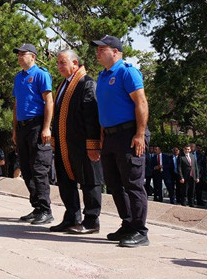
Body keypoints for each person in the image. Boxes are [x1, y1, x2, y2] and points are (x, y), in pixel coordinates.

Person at [92, 35, 150, 248]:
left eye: (102, 48)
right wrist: (101, 137)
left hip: (129, 134)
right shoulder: (102, 76)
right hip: (110, 136)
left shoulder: (127, 71)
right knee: (115, 184)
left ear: (115, 51)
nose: (97, 52)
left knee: (133, 184)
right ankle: (127, 224)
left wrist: (140, 134)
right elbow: (103, 110)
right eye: (97, 49)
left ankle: (140, 230)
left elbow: (141, 102)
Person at [49, 49, 103, 234]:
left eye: (63, 63)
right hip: (65, 143)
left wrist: (93, 144)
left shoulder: (86, 83)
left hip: (83, 143)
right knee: (65, 181)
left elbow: (91, 116)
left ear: (75, 63)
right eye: (58, 63)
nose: (59, 67)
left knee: (89, 182)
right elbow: (57, 116)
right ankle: (72, 216)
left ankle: (91, 220)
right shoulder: (63, 84)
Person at [11, 43, 54, 225]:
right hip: (22, 127)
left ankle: (46, 210)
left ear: (33, 57)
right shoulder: (18, 78)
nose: (20, 57)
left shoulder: (40, 75)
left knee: (38, 168)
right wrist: (14, 129)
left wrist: (46, 127)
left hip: (37, 125)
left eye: (23, 54)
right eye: (18, 54)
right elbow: (16, 105)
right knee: (26, 169)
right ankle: (36, 207)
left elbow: (49, 102)